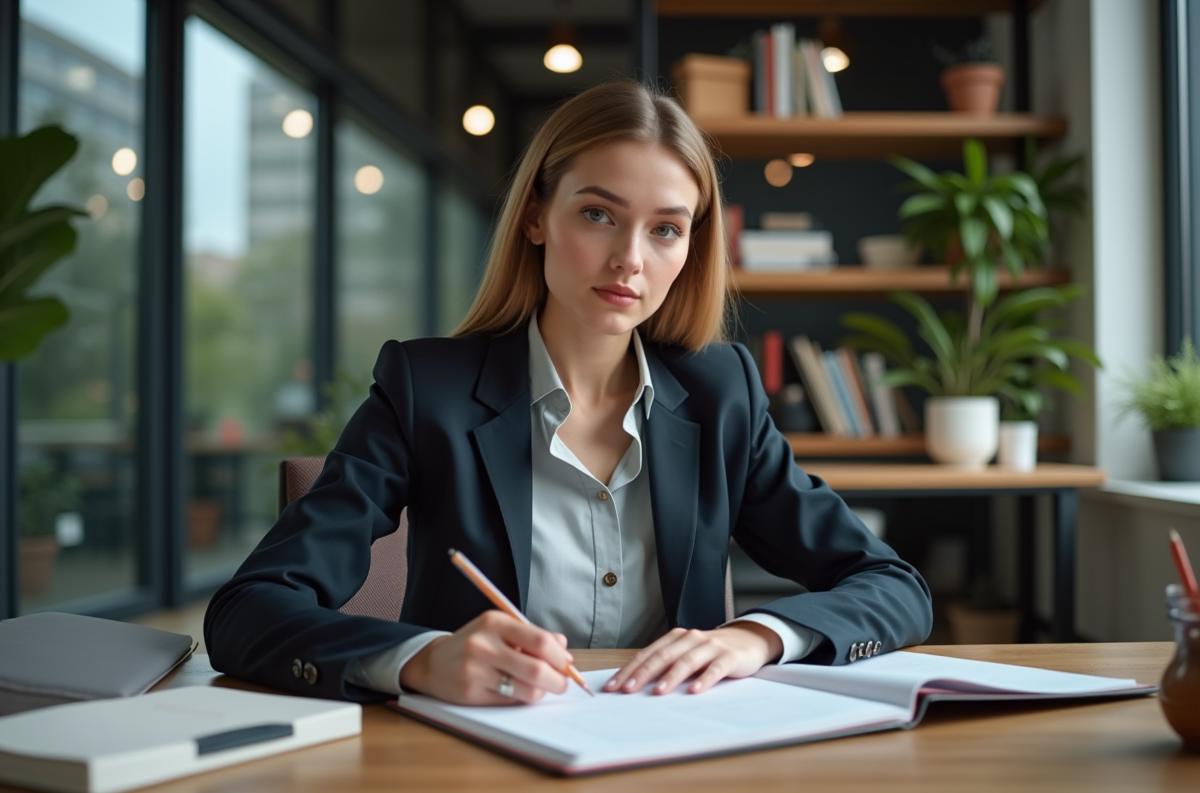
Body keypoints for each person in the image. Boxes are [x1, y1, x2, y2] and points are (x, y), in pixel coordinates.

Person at [204, 79, 932, 707]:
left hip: (680, 754)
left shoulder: (722, 394)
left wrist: (758, 637)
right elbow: (247, 612)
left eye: (666, 230)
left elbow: (893, 585)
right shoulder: (427, 389)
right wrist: (421, 661)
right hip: (478, 758)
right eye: (597, 214)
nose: (629, 259)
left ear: (690, 249)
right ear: (535, 218)